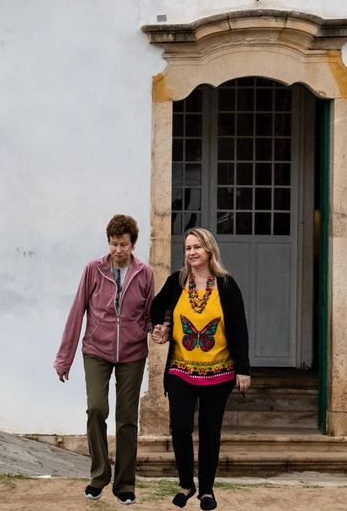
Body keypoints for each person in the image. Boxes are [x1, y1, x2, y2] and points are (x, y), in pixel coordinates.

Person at [147, 226, 250, 510]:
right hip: (181, 370)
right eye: (188, 248)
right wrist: (161, 326)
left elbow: (240, 329)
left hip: (219, 372)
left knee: (209, 432)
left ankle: (206, 490)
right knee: (180, 427)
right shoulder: (177, 281)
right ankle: (185, 484)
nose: (191, 253)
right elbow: (156, 307)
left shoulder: (227, 285)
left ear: (209, 250)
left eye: (197, 248)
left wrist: (244, 369)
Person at [55, 213, 155, 502]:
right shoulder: (93, 270)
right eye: (113, 244)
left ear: (133, 244)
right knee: (96, 409)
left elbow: (149, 315)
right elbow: (77, 314)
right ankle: (99, 475)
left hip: (133, 353)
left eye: (123, 244)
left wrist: (156, 329)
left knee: (127, 419)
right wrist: (64, 358)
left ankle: (124, 485)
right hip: (96, 350)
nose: (118, 250)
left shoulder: (145, 274)